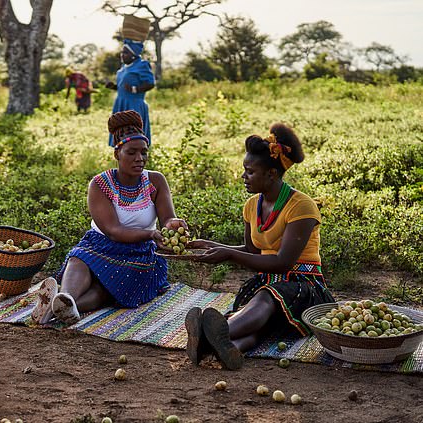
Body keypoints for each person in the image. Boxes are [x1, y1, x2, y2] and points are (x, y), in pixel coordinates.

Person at [184, 123, 335, 370]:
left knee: (265, 298)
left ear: (272, 174)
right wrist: (210, 246)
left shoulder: (302, 207)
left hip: (303, 287)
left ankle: (205, 334)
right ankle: (220, 348)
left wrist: (228, 254)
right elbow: (253, 250)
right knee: (259, 320)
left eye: (250, 171)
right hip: (270, 281)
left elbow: (283, 262)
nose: (243, 177)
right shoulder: (252, 205)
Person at [31, 110, 186, 325]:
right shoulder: (100, 184)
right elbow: (113, 231)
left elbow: (168, 219)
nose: (139, 159)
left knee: (108, 287)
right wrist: (151, 233)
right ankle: (65, 298)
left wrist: (173, 225)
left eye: (144, 152)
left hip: (139, 253)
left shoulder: (156, 181)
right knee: (79, 258)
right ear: (117, 154)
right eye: (131, 152)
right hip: (100, 245)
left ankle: (59, 309)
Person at [106, 39, 155, 147]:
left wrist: (135, 89)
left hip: (134, 104)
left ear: (133, 54)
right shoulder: (124, 67)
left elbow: (150, 83)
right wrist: (114, 87)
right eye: (122, 52)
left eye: (126, 52)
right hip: (121, 103)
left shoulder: (142, 65)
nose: (122, 55)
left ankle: (135, 152)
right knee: (120, 129)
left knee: (133, 132)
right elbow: (123, 87)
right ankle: (122, 152)